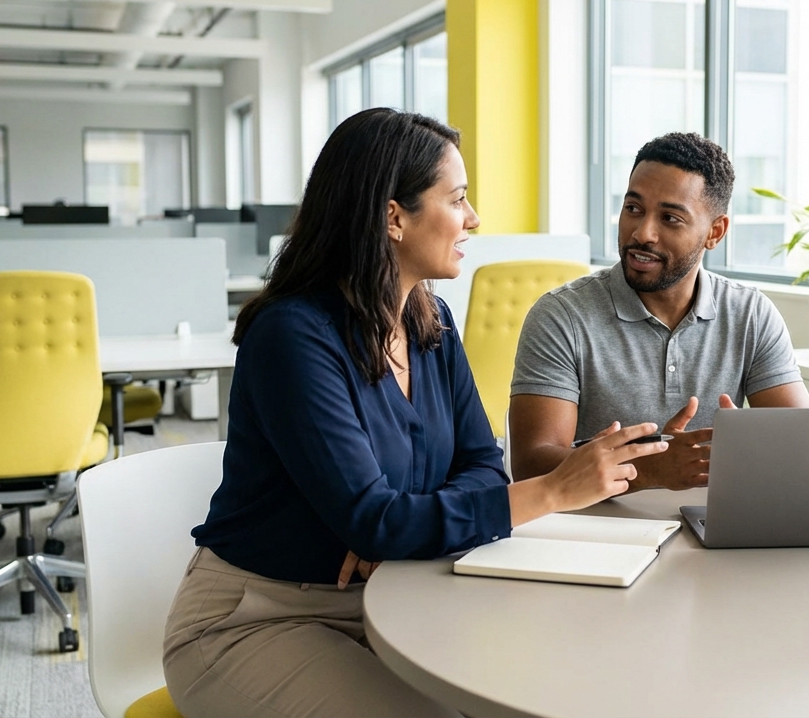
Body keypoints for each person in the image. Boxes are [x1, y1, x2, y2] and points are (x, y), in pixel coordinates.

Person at [162, 108, 666, 717]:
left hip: (397, 593)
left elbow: (481, 465)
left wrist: (401, 529)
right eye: (457, 200)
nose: (473, 219)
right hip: (259, 617)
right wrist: (554, 490)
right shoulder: (293, 336)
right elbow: (374, 519)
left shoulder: (431, 322)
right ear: (393, 217)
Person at [509, 132, 809, 491]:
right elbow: (531, 465)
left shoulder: (751, 314)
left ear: (715, 232)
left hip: (710, 524)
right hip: (596, 532)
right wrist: (652, 470)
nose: (642, 233)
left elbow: (804, 449)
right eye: (633, 209)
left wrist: (751, 448)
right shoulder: (561, 317)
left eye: (670, 218)